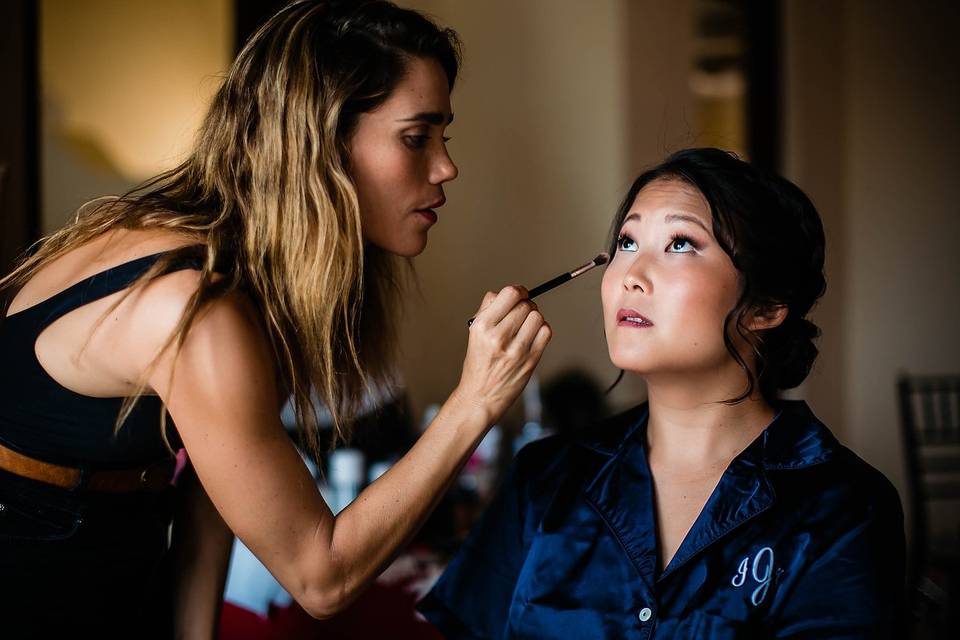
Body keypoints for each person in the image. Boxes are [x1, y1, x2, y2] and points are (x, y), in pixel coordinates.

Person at [0, 1, 551, 637]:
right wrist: (475, 402)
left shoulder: (237, 272)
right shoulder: (198, 310)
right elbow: (323, 577)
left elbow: (211, 499)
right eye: (415, 136)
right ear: (324, 144)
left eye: (443, 137)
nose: (446, 166)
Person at [419, 148, 905, 638]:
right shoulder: (545, 479)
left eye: (680, 245)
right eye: (627, 242)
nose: (632, 275)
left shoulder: (842, 505)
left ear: (766, 307)